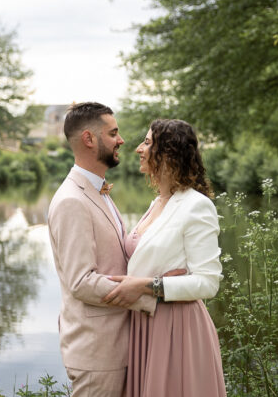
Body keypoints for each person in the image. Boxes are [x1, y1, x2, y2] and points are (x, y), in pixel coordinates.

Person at [102, 118, 227, 397]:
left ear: (169, 153)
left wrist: (147, 286)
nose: (138, 149)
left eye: (147, 142)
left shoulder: (197, 206)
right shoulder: (157, 202)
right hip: (144, 323)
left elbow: (208, 283)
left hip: (177, 329)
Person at [47, 102, 159, 397]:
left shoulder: (98, 191)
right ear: (89, 139)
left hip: (117, 347)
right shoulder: (72, 200)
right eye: (113, 133)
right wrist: (148, 294)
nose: (122, 141)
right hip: (98, 352)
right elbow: (81, 283)